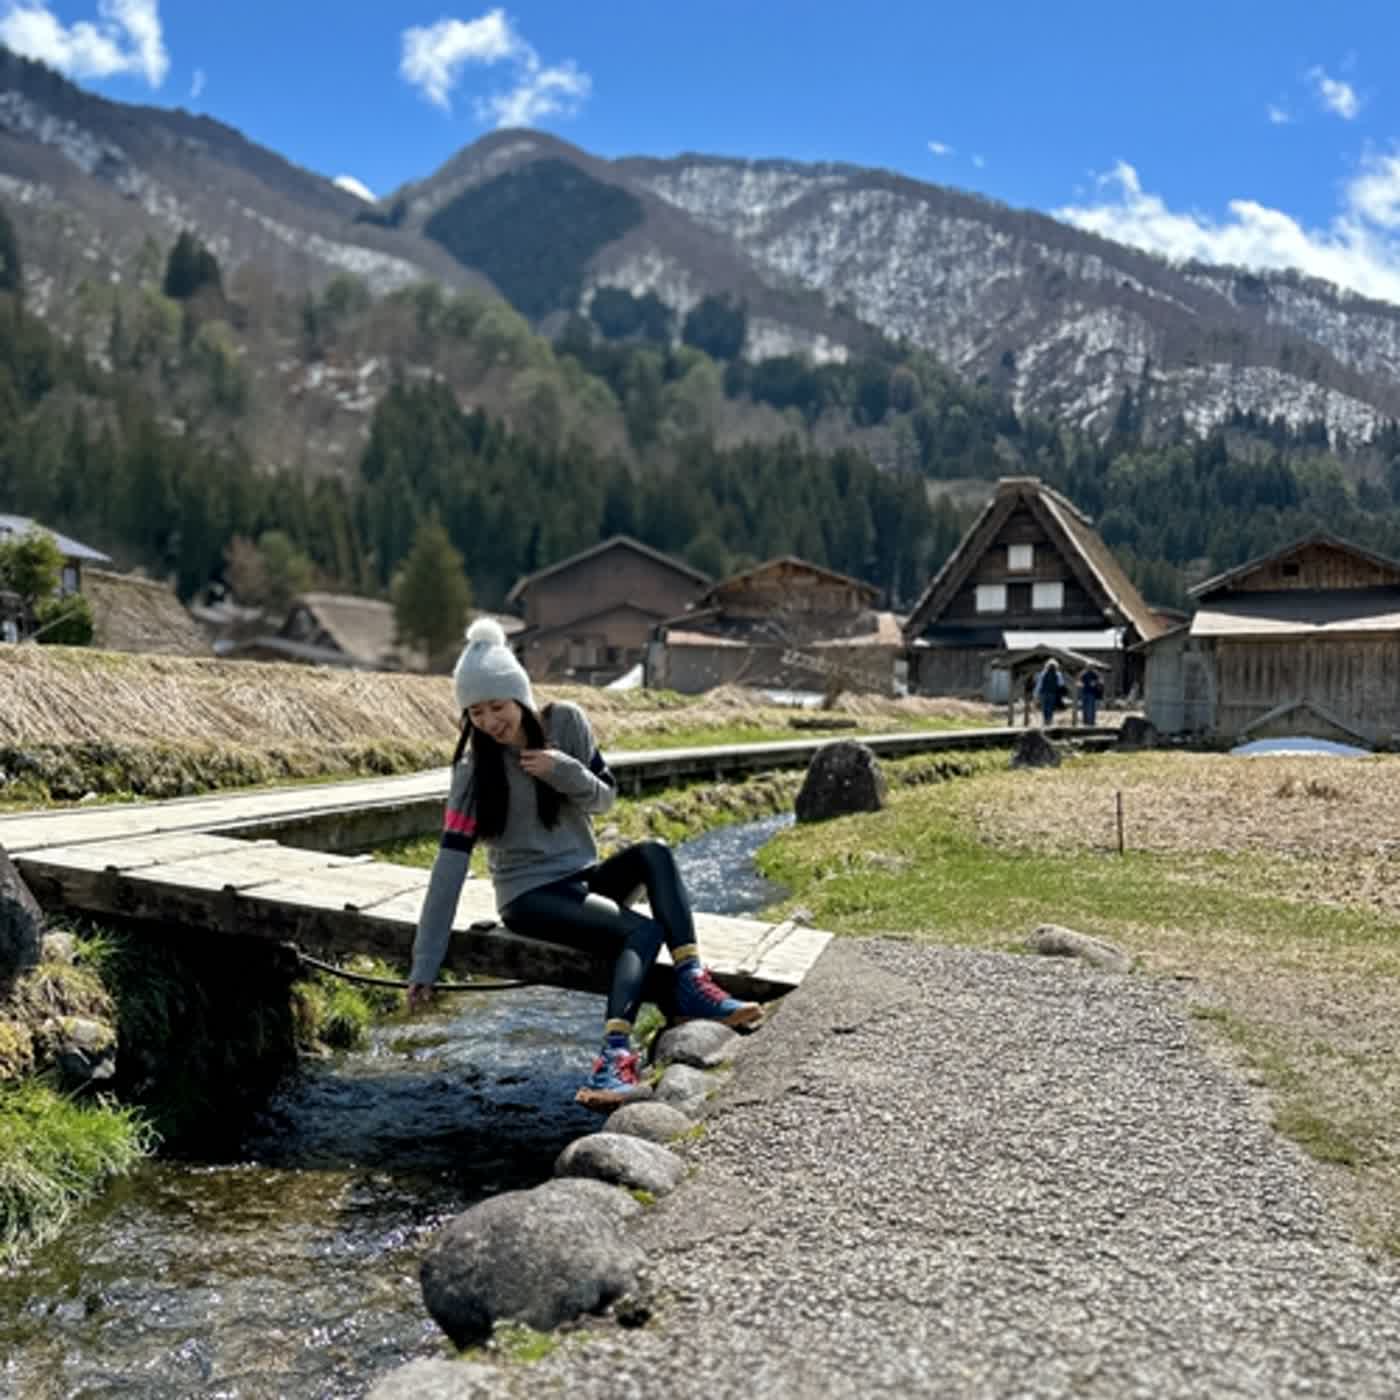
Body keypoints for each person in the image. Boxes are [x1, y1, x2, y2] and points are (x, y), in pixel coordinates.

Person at [407, 618, 760, 1110]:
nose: (488, 721)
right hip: (529, 897)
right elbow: (448, 868)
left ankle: (691, 980)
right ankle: (614, 1058)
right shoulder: (472, 773)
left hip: (585, 879)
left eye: (496, 706)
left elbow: (605, 800)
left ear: (520, 698)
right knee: (640, 934)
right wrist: (425, 964)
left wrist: (563, 771)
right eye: (475, 712)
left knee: (655, 852)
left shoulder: (567, 723)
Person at [1034, 658, 1065, 726]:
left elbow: (1039, 684)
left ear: (1047, 666)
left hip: (1043, 693)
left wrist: (1035, 694)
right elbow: (1061, 684)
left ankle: (1045, 722)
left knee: (1044, 707)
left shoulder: (1043, 673)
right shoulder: (1058, 674)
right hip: (1052, 693)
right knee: (1050, 708)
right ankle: (1049, 721)